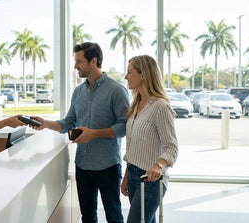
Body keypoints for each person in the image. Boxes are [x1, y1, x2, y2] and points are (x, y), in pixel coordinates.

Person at [31, 42, 129, 223]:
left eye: (79, 61)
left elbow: (125, 127)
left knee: (114, 216)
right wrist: (46, 124)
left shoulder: (116, 90)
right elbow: (69, 122)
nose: (75, 66)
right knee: (87, 216)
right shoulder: (78, 92)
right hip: (83, 165)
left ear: (93, 61)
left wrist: (94, 133)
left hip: (107, 165)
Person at [121, 55, 178, 223]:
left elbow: (172, 147)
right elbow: (133, 146)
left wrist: (158, 165)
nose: (126, 77)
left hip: (151, 180)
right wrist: (126, 176)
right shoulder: (136, 105)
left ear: (143, 75)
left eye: (129, 72)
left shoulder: (161, 107)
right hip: (132, 175)